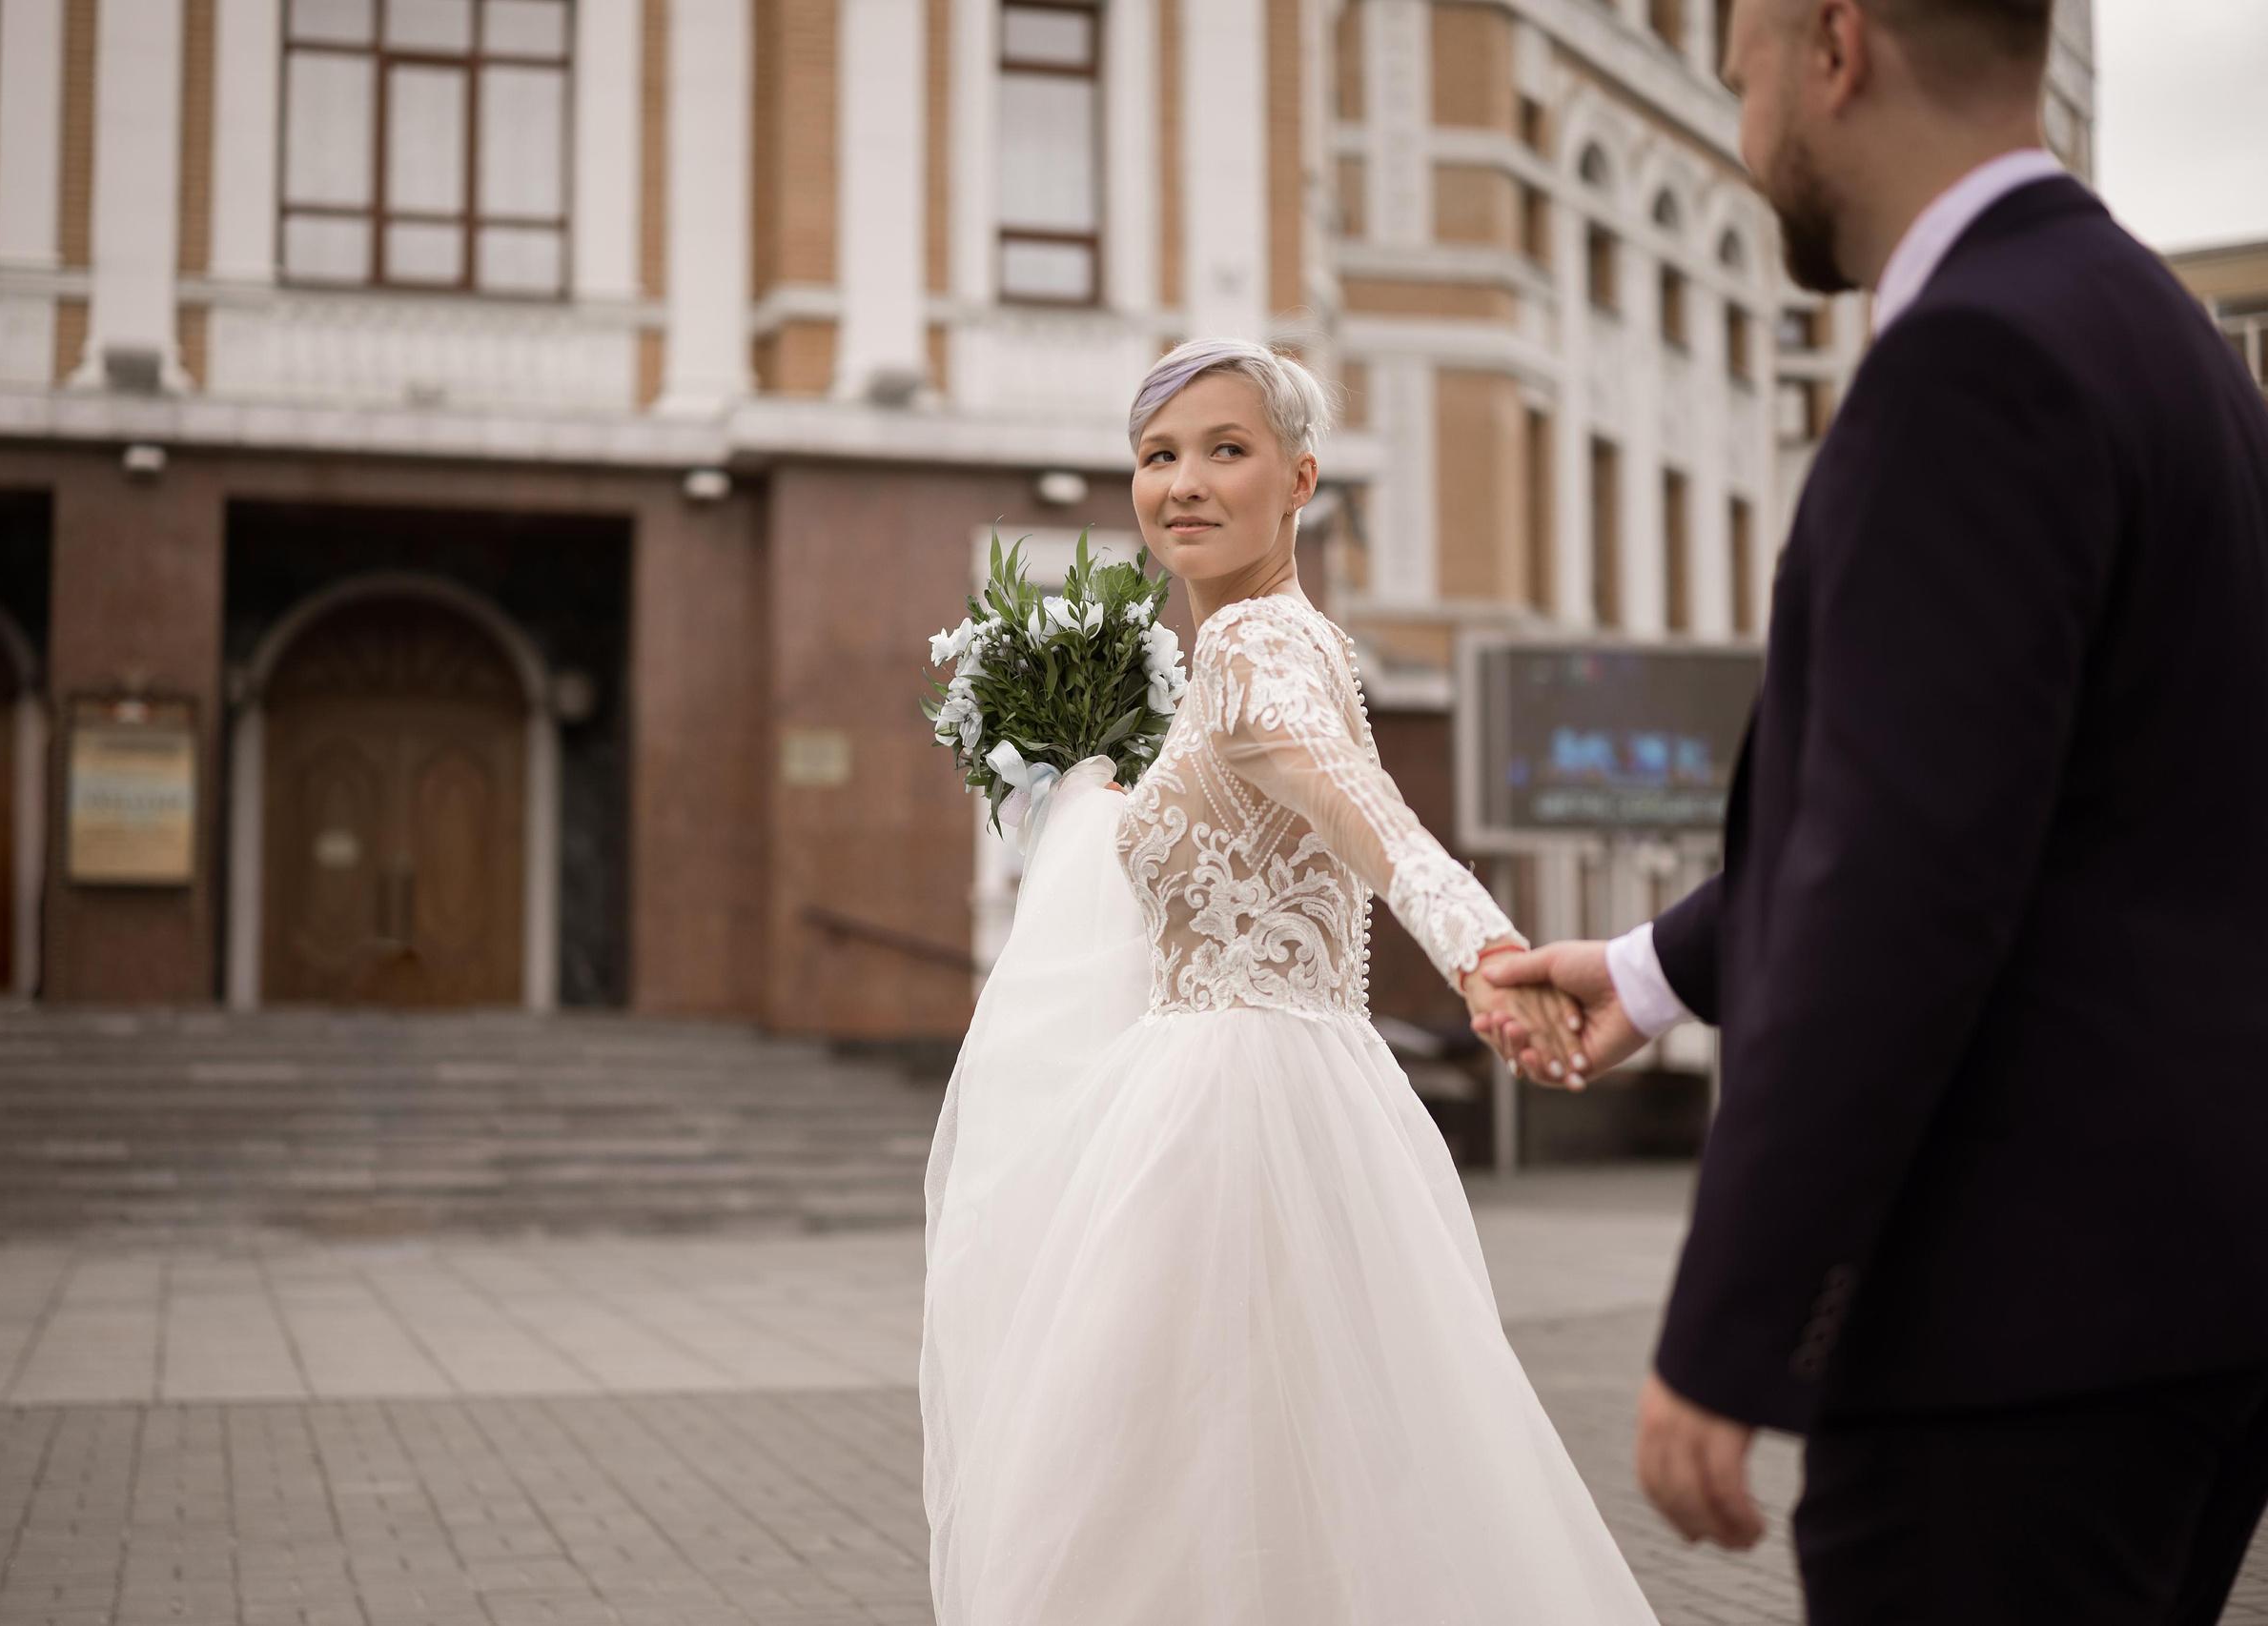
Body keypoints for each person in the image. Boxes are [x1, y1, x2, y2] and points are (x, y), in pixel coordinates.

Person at [1478, 1, 2268, 1620]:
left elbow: (1898, 883)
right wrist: (1647, 972)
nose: (1733, 90)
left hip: (2010, 1336)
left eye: (1746, 49)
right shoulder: (2163, 335)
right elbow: (2034, 802)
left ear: (1836, 47)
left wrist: (1732, 1324)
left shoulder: (1968, 363)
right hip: (2197, 1314)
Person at [918, 337, 1656, 1624]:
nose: (1184, 483)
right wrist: (1089, 788)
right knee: (1270, 1477)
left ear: (1302, 476)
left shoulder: (1259, 647)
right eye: (1157, 457)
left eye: (1226, 449)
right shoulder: (1274, 644)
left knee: (1161, 1482)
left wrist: (1488, 952)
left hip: (1231, 1109)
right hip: (1257, 1088)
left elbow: (1345, 789)